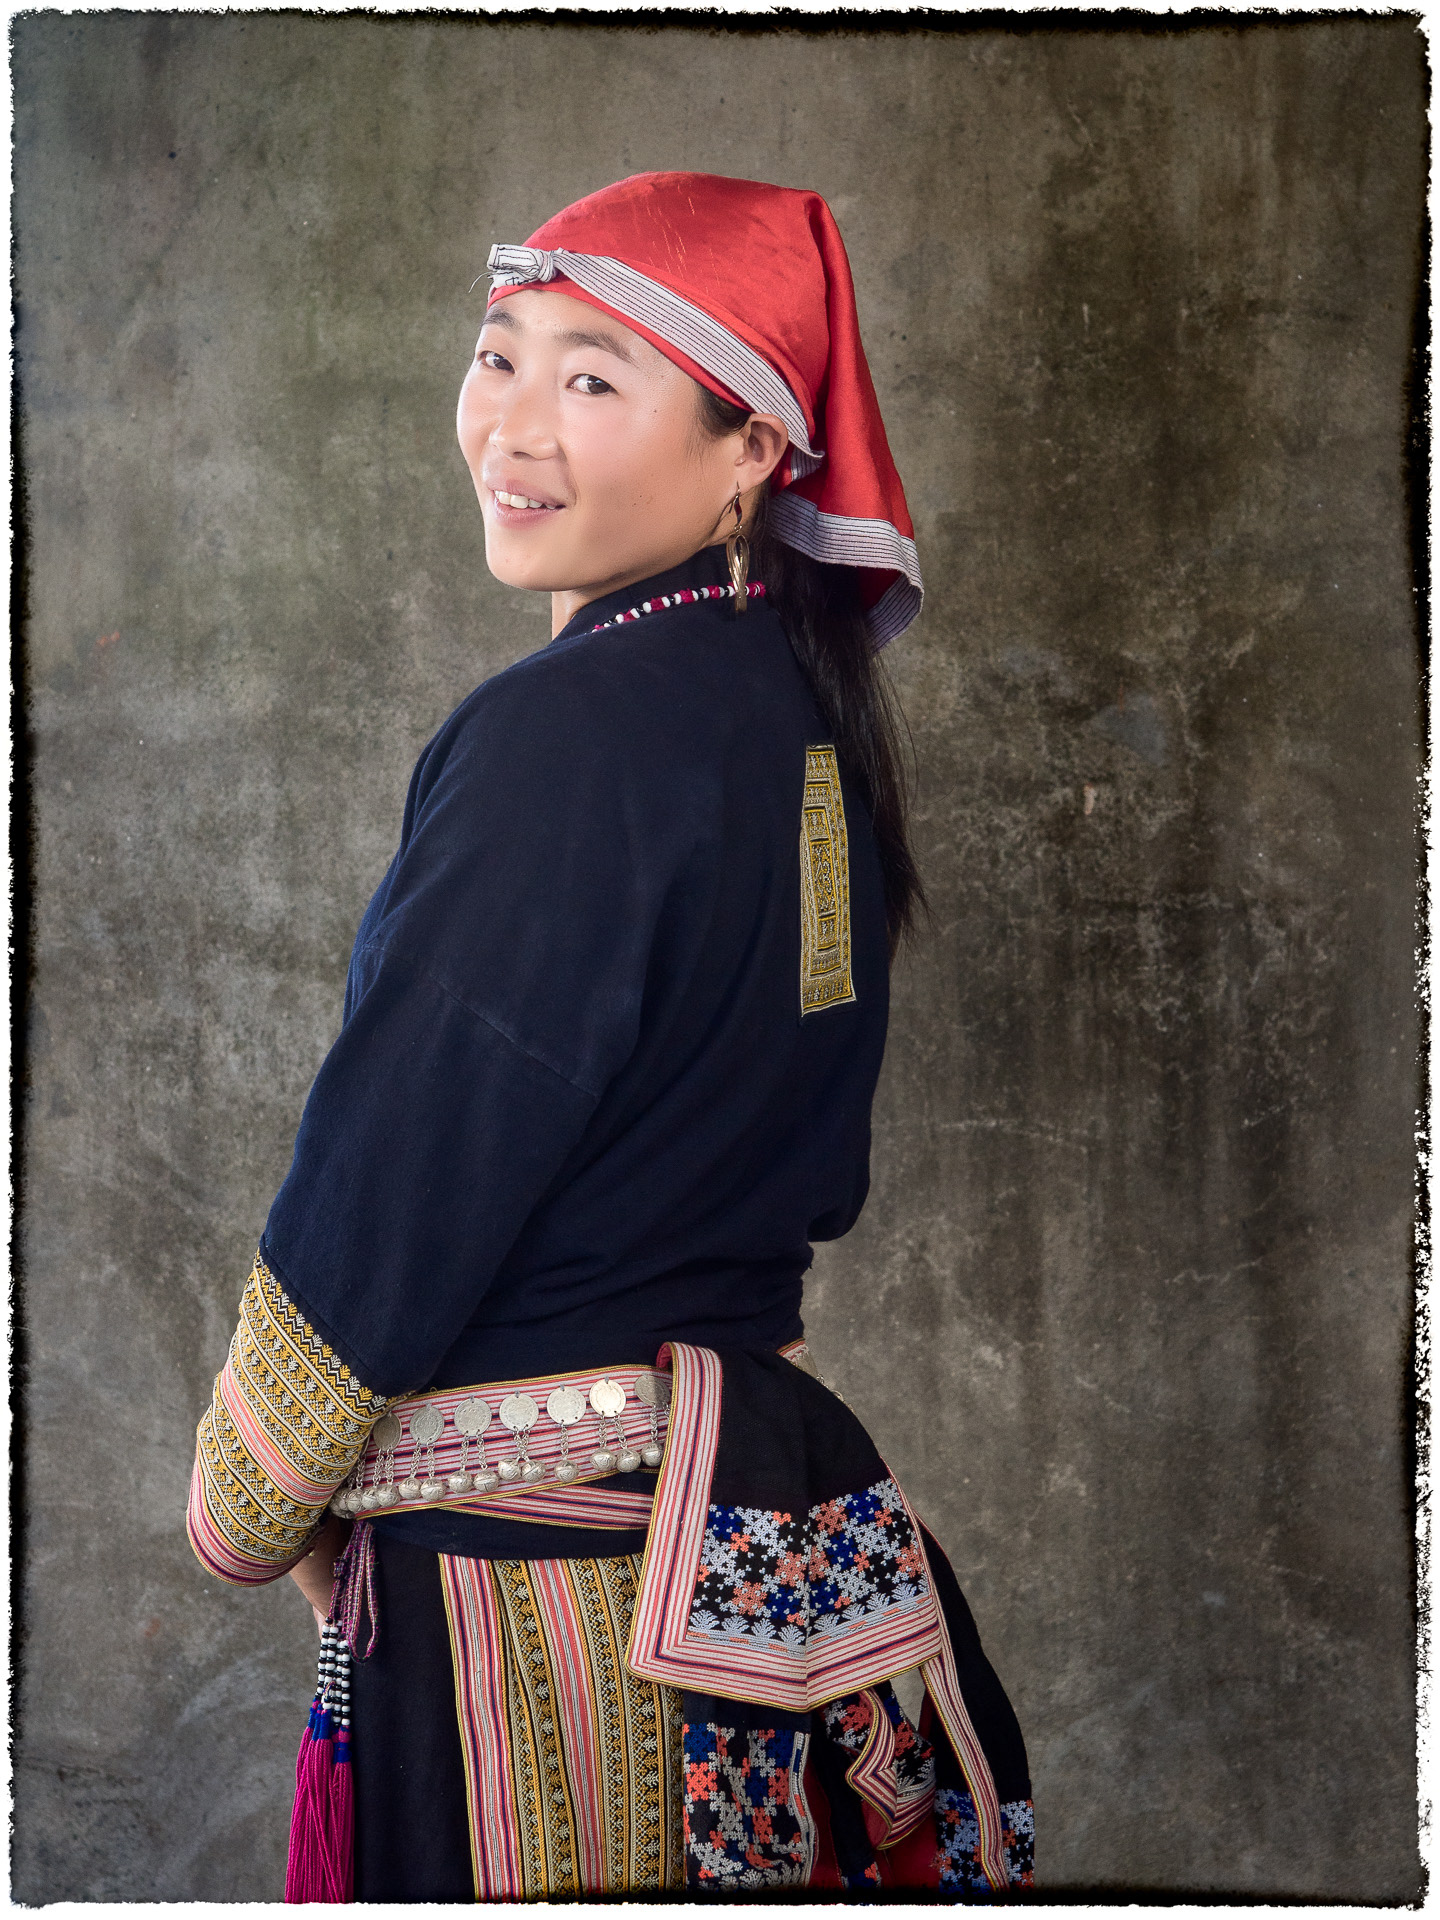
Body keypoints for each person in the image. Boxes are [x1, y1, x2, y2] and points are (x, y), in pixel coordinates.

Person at [187, 170, 1033, 1901]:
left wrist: (251, 1499)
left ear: (752, 454)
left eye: (592, 379)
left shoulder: (560, 737)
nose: (512, 425)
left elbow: (402, 1166)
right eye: (500, 354)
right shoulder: (802, 719)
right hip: (744, 1558)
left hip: (543, 1604)